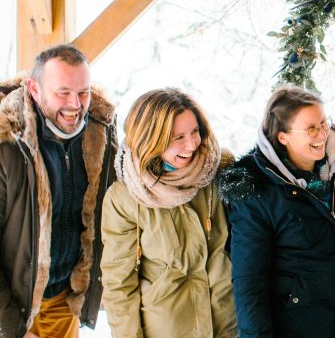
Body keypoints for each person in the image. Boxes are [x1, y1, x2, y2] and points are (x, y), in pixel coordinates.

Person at [0, 44, 117, 337]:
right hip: (9, 304)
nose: (75, 104)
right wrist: (11, 327)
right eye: (62, 92)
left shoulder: (101, 136)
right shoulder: (6, 143)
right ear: (34, 89)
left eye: (83, 93)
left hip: (62, 300)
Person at [100, 88, 237, 337]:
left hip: (225, 324)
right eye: (178, 137)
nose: (192, 145)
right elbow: (119, 284)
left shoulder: (219, 170)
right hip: (168, 327)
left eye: (195, 132)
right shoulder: (124, 199)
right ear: (151, 140)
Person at [218, 86, 335, 337]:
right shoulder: (255, 192)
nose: (322, 133)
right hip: (296, 328)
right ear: (283, 137)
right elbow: (250, 283)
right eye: (311, 128)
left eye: (324, 123)